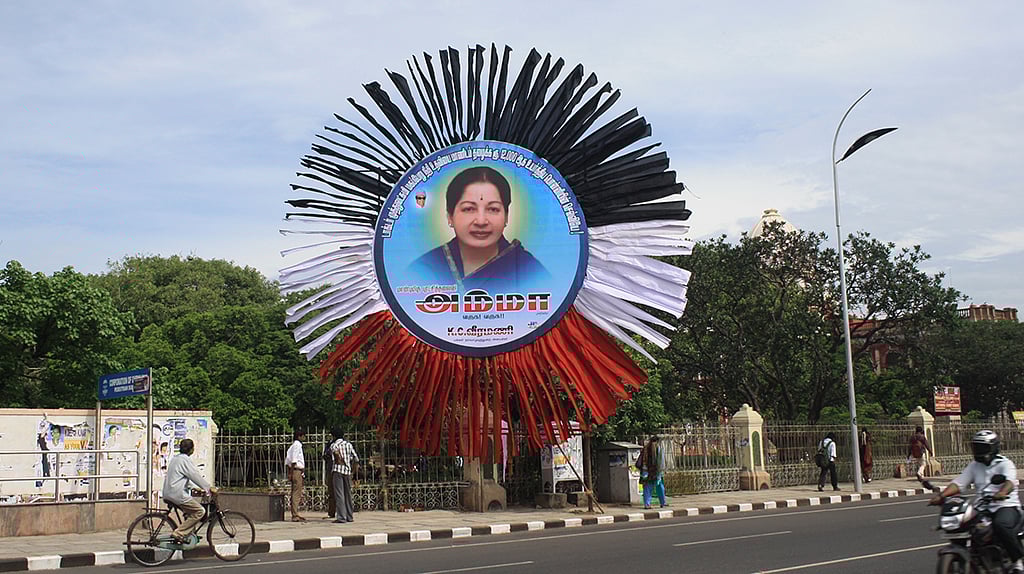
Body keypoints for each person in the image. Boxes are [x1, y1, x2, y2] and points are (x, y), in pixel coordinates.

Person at [408, 166, 549, 292]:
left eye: (493, 209)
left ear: (506, 216)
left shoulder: (528, 269)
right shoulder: (425, 269)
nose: (481, 221)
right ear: (450, 216)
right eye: (469, 209)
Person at [930, 430, 1024, 573]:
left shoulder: (1005, 464)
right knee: (965, 523)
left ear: (993, 448)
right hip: (981, 506)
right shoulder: (974, 466)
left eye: (982, 448)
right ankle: (976, 556)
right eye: (976, 447)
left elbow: (1010, 482)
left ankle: (1018, 562)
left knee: (1001, 525)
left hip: (1005, 505)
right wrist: (942, 496)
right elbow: (959, 484)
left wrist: (1002, 492)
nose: (978, 451)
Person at [162, 438, 217, 545]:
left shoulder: (175, 459)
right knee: (200, 511)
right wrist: (209, 488)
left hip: (169, 492)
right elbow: (194, 475)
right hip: (177, 494)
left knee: (190, 512)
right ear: (191, 449)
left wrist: (194, 488)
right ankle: (179, 533)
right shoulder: (185, 460)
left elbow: (181, 478)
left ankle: (188, 535)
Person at [330, 428, 359, 523]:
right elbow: (356, 459)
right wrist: (352, 471)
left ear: (334, 436)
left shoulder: (334, 445)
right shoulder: (348, 445)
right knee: (348, 494)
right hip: (347, 471)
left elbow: (336, 457)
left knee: (339, 494)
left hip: (337, 471)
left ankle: (341, 517)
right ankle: (349, 516)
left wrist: (339, 460)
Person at [636, 436, 668, 509]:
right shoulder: (658, 448)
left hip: (645, 471)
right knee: (660, 486)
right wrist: (662, 470)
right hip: (656, 471)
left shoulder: (645, 448)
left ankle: (647, 504)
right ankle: (663, 502)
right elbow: (661, 461)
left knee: (647, 487)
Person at [284, 429, 307, 522]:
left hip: (296, 470)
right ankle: (295, 514)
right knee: (296, 493)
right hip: (296, 470)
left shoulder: (294, 446)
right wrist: (291, 472)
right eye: (303, 436)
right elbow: (294, 460)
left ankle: (295, 513)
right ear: (299, 436)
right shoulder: (297, 445)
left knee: (296, 491)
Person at [323, 428, 341, 520]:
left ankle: (341, 512)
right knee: (331, 491)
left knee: (339, 492)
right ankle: (332, 512)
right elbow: (325, 455)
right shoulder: (329, 444)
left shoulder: (339, 444)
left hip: (337, 469)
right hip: (331, 468)